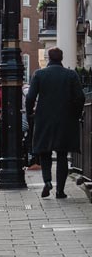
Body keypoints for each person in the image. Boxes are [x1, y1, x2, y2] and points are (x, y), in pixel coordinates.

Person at [26, 47, 86, 198]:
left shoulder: (39, 74)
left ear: (48, 58)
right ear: (61, 58)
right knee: (62, 155)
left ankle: (47, 181)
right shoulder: (70, 75)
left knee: (44, 152)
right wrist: (76, 113)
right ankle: (60, 190)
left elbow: (30, 97)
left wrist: (30, 113)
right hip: (65, 119)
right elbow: (80, 97)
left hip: (43, 118)